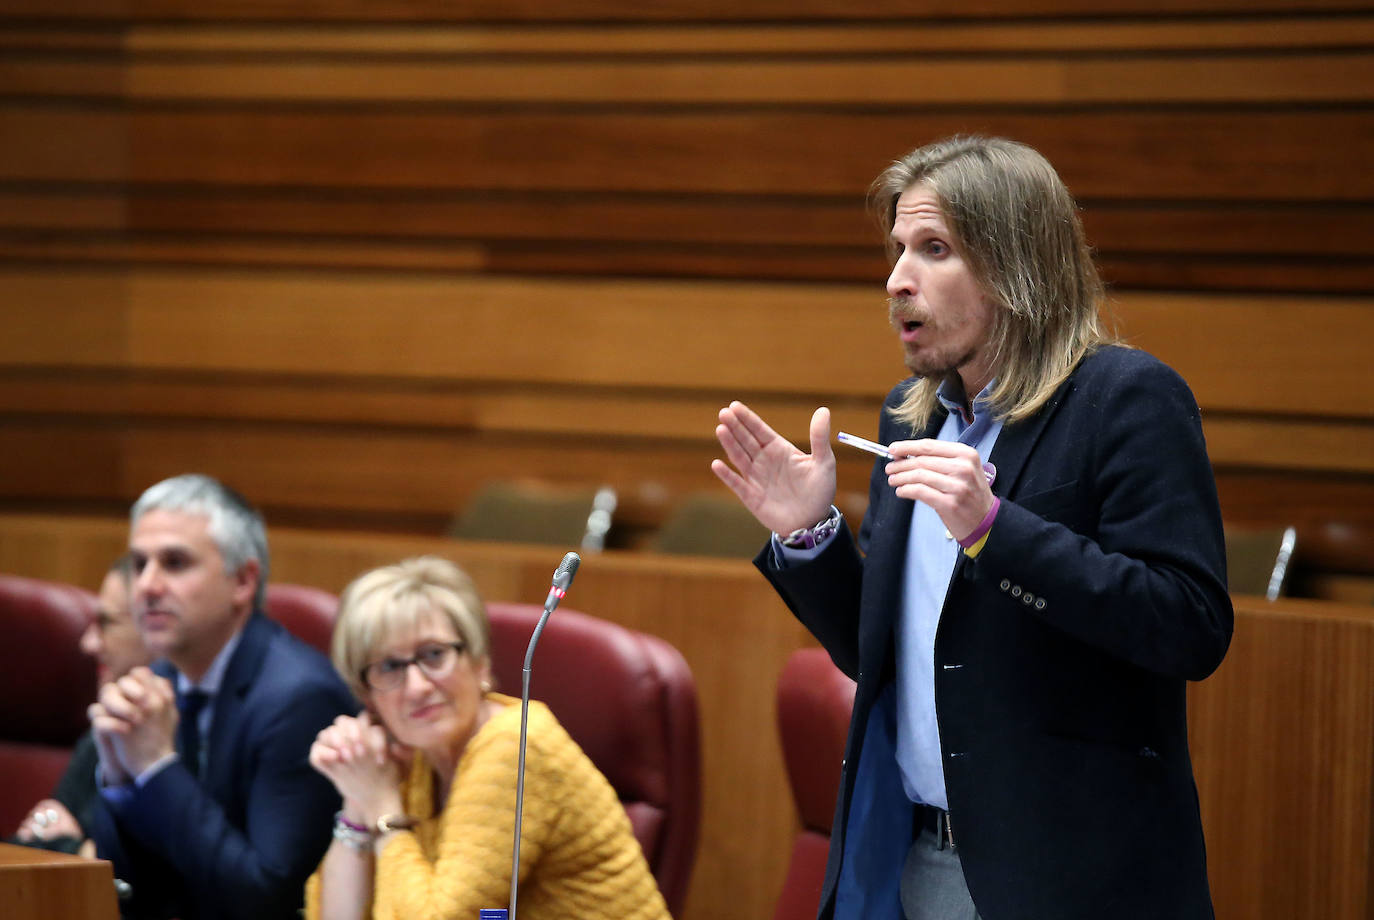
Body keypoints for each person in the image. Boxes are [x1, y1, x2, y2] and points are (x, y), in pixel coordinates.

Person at [712, 136, 1232, 920]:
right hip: (923, 860)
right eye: (896, 251)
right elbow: (884, 656)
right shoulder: (910, 414)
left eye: (933, 249)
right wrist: (808, 535)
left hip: (1073, 880)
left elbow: (1189, 626)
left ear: (1015, 265)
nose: (896, 280)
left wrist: (995, 530)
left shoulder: (1126, 399)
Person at [304, 556, 669, 920]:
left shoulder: (516, 744)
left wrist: (382, 806)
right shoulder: (408, 757)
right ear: (367, 695)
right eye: (389, 667)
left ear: (479, 662)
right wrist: (358, 794)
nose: (417, 687)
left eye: (434, 655)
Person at [85, 473, 357, 920]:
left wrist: (155, 769)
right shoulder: (159, 679)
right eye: (139, 563)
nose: (147, 586)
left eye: (174, 563)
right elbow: (130, 888)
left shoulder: (299, 700)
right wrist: (119, 778)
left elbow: (265, 899)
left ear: (243, 581)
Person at [9, 557, 151, 856]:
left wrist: (71, 847)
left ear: (157, 627)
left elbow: (141, 882)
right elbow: (33, 844)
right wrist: (79, 848)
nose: (87, 643)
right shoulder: (102, 729)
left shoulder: (197, 741)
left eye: (106, 623)